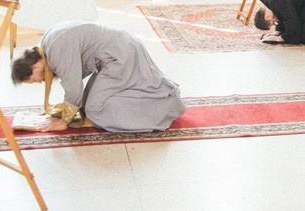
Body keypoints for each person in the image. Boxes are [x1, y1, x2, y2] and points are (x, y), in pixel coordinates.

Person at [11, 20, 187, 133]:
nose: (41, 81)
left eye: (35, 78)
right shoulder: (47, 43)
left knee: (95, 110)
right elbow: (74, 85)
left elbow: (73, 88)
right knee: (86, 105)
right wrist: (61, 111)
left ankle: (164, 108)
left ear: (33, 65)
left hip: (119, 56)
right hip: (119, 49)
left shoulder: (55, 51)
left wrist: (63, 121)